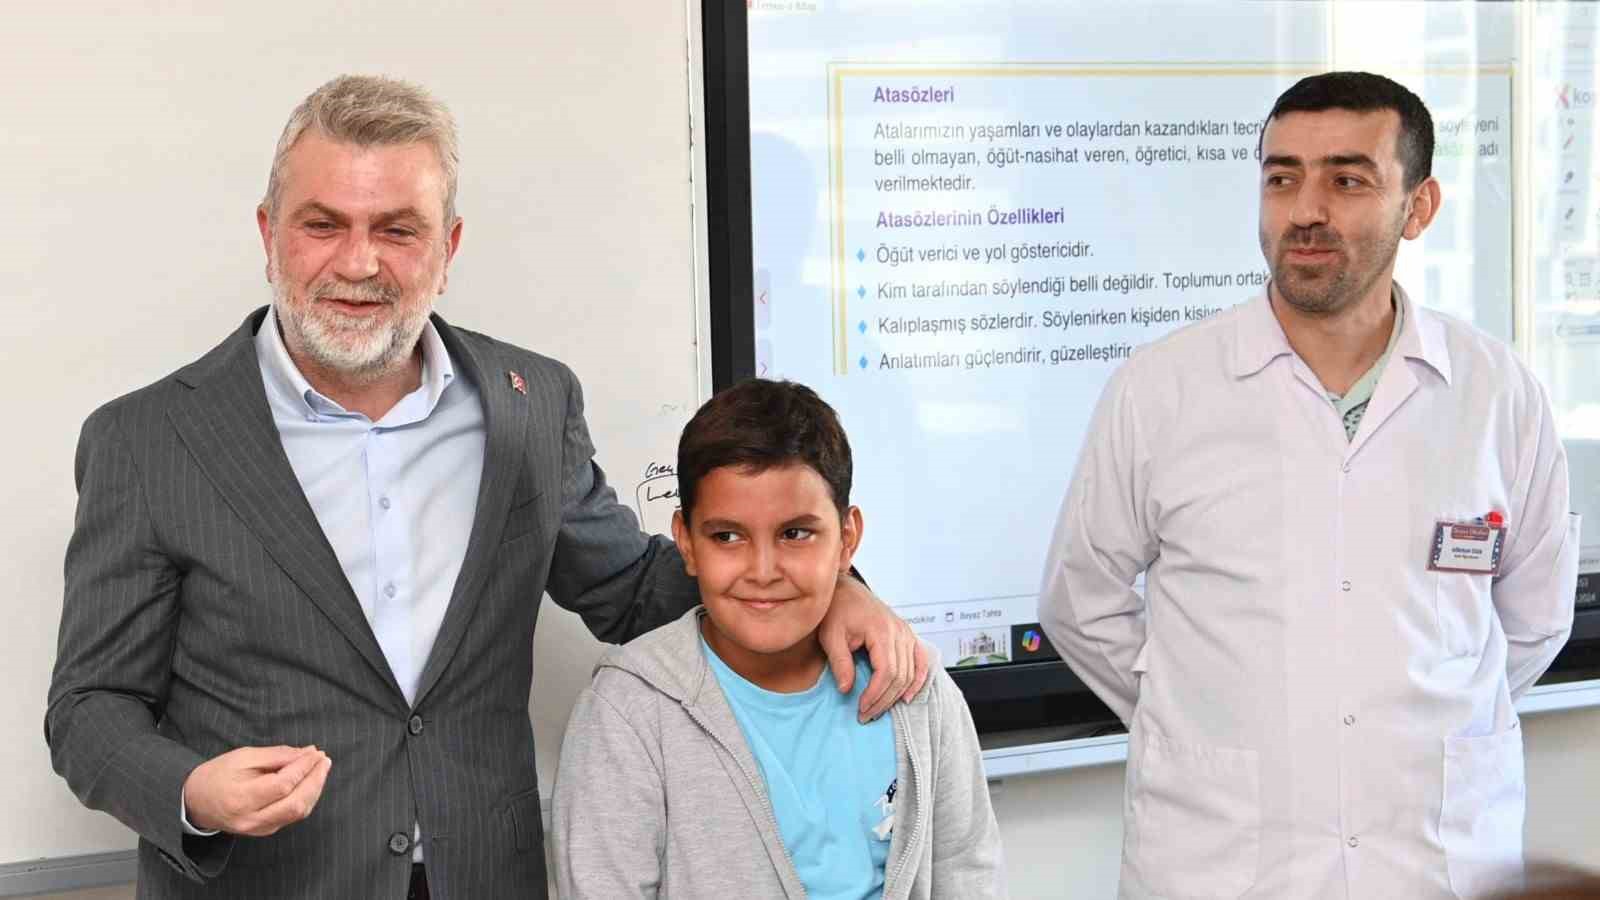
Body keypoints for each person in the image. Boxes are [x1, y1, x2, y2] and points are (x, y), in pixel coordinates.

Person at [45, 75, 926, 900]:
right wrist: (192, 791)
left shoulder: (531, 405)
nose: (359, 263)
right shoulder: (148, 440)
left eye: (398, 229)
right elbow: (90, 709)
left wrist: (835, 589)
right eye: (323, 225)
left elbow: (635, 591)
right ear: (269, 233)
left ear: (449, 248)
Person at [1039, 71, 1580, 900]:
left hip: (1438, 862)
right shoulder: (1163, 388)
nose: (1305, 211)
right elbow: (1080, 600)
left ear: (1419, 206)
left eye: (1347, 181)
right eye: (1282, 178)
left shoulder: (1497, 394)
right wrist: (1193, 713)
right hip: (1222, 864)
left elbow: (1535, 620)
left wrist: (1412, 721)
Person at [552, 378, 1006, 899]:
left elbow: (969, 873)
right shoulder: (627, 715)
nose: (763, 571)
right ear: (687, 543)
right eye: (727, 536)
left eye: (795, 534)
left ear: (847, 539)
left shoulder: (917, 692)